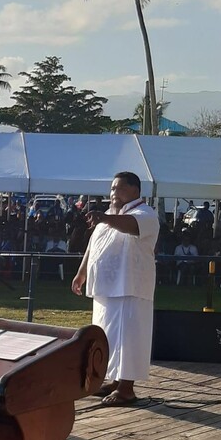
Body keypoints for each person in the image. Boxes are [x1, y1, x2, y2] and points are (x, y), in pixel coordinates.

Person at [72, 171, 159, 407]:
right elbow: (93, 246)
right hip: (105, 287)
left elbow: (131, 226)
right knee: (106, 335)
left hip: (130, 287)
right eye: (112, 188)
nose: (113, 193)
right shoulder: (109, 215)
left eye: (119, 188)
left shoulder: (145, 214)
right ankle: (113, 379)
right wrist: (81, 273)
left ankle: (127, 388)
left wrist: (104, 218)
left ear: (135, 191)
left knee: (129, 337)